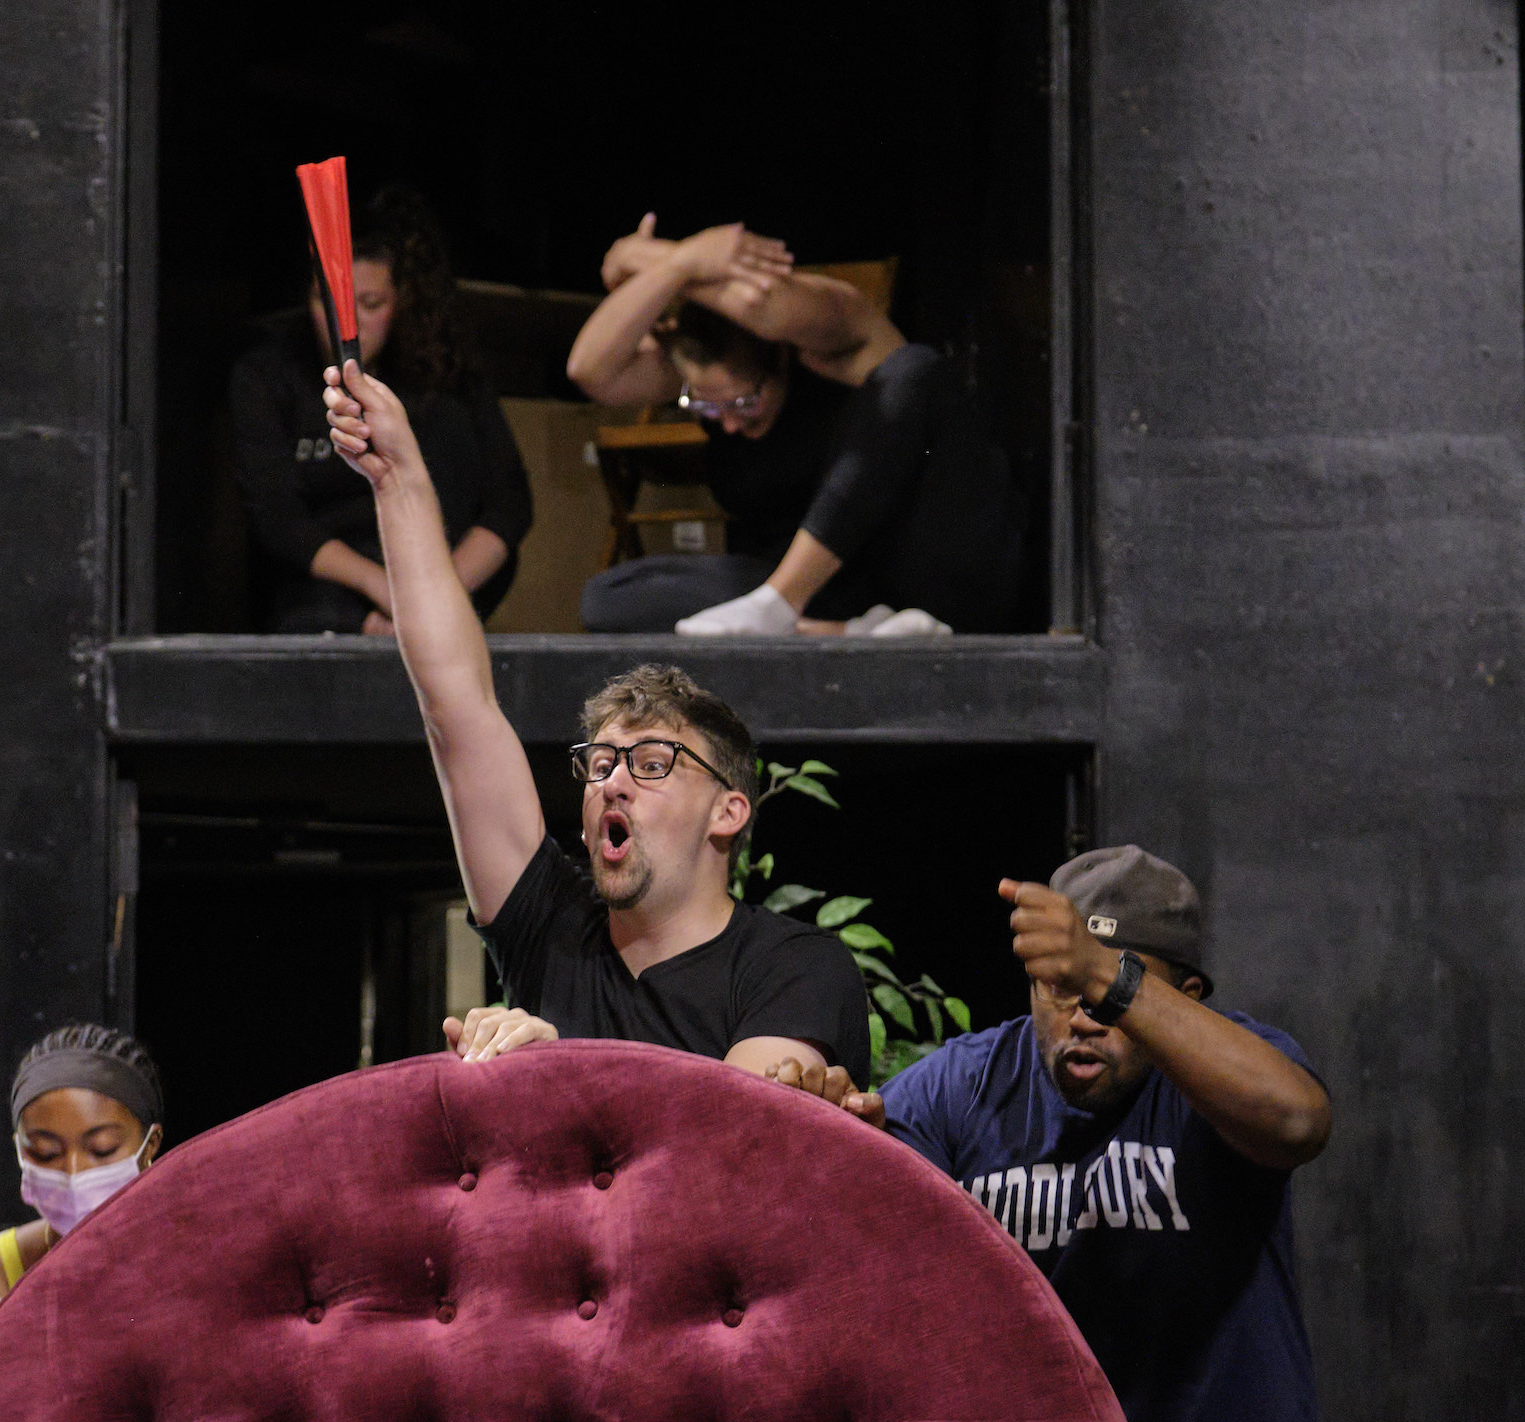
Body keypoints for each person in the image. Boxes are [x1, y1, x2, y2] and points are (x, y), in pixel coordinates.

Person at [319, 355, 875, 1094]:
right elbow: (455, 705)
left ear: (727, 810)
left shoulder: (792, 964)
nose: (612, 781)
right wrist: (399, 479)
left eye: (650, 762)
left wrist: (561, 1062)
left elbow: (734, 1141)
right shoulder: (550, 927)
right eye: (601, 761)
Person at [877, 847, 1336, 1422]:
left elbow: (1297, 1123)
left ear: (1181, 993)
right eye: (1060, 989)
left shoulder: (1225, 1070)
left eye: (1117, 994)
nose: (1085, 1018)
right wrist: (812, 1115)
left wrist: (1101, 972)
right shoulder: (965, 1086)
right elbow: (852, 1203)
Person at [564, 214, 1027, 636]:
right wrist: (680, 265)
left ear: (779, 357)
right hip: (829, 597)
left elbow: (763, 301)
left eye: (745, 403)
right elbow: (590, 371)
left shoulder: (840, 334)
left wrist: (638, 256)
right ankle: (837, 632)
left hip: (910, 564)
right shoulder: (702, 375)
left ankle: (783, 606)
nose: (726, 424)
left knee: (915, 369)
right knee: (609, 597)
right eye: (703, 407)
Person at [231, 188, 531, 634]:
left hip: (445, 588)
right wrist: (387, 597)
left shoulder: (446, 371)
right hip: (332, 602)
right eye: (325, 302)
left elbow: (508, 505)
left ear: (402, 300)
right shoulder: (270, 373)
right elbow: (277, 519)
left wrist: (434, 597)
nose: (345, 323)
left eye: (370, 305)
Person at [0, 1024, 165, 1418]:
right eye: (47, 1153)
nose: (74, 1173)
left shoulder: (199, 1272)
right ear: (19, 1151)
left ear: (149, 1145)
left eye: (102, 1150)